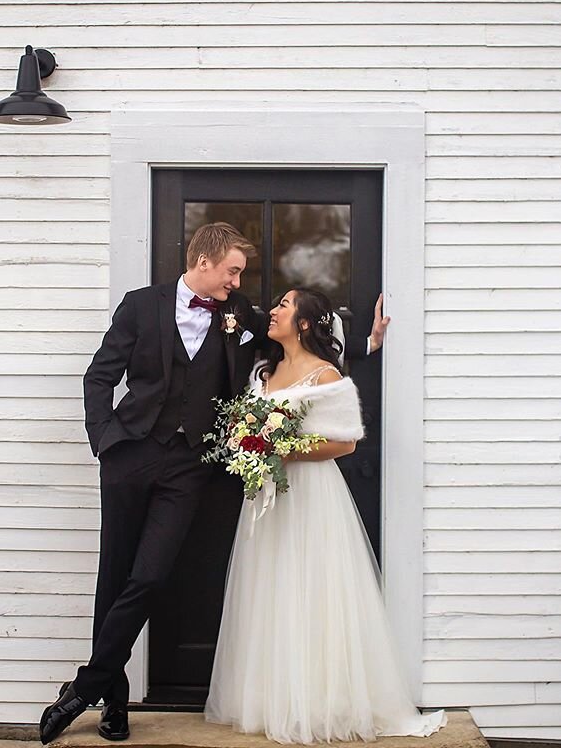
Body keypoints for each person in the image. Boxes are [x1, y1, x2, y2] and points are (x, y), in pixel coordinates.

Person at [39, 220, 387, 744]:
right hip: (129, 457)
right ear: (205, 261)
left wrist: (366, 344)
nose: (238, 283)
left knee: (150, 577)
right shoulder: (139, 305)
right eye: (233, 271)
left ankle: (86, 684)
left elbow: (306, 356)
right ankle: (114, 699)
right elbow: (100, 376)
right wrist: (104, 440)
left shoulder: (237, 315)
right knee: (113, 577)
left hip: (189, 466)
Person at [204, 288, 447, 744]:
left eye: (284, 305)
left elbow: (346, 443)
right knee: (269, 589)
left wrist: (284, 450)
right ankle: (270, 698)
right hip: (265, 499)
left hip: (311, 497)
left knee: (312, 589)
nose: (272, 310)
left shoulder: (326, 375)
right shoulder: (264, 371)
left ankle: (320, 701)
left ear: (304, 324)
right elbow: (248, 429)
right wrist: (249, 444)